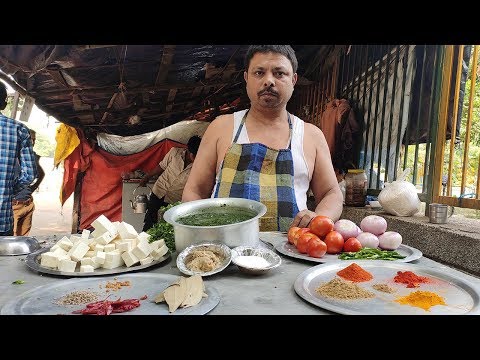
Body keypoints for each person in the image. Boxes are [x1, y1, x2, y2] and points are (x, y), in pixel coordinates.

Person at [182, 45, 343, 232]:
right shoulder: (221, 127)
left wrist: (319, 218)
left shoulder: (311, 135)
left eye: (279, 73)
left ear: (294, 80)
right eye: (259, 72)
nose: (269, 81)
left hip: (291, 251)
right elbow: (194, 191)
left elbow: (332, 194)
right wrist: (204, 232)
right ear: (246, 79)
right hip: (224, 250)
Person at [140, 135, 202, 231]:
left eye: (197, 155)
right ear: (187, 149)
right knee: (149, 221)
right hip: (159, 191)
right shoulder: (174, 152)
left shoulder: (200, 165)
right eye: (192, 155)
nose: (194, 158)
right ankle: (144, 242)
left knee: (167, 226)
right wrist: (147, 177)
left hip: (174, 200)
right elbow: (161, 166)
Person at [0, 81, 38, 236]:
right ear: (4, 102)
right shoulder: (18, 129)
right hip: (2, 220)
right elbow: (30, 174)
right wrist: (8, 188)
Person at [12, 129, 45, 236]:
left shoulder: (33, 157)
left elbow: (41, 174)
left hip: (28, 204)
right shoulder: (10, 155)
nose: (33, 142)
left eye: (34, 140)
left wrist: (33, 188)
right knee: (10, 241)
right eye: (30, 139)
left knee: (23, 240)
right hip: (13, 206)